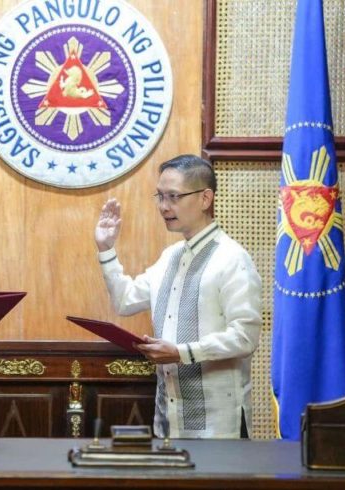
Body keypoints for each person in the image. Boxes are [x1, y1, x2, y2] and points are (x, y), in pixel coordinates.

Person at [94, 154, 261, 439]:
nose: (163, 207)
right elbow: (125, 301)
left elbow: (245, 337)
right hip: (169, 422)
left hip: (219, 428)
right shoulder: (170, 257)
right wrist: (107, 249)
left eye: (173, 196)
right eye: (159, 196)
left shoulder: (232, 258)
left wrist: (181, 353)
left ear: (205, 198)